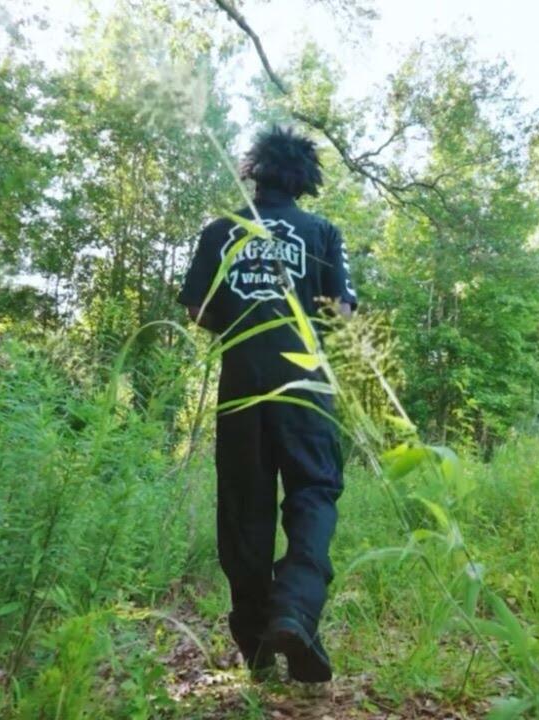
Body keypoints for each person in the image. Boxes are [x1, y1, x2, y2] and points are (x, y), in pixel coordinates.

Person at [177, 125, 357, 683]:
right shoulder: (321, 231)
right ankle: (295, 610)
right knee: (314, 491)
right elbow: (341, 314)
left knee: (243, 509)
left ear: (255, 172)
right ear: (305, 179)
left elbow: (197, 309)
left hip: (240, 387)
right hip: (305, 383)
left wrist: (242, 327)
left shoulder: (220, 231)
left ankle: (257, 646)